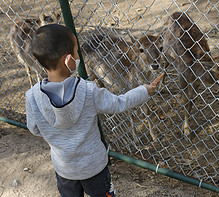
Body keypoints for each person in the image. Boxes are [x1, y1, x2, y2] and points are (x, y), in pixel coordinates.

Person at [25, 24, 157, 197]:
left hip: (64, 170)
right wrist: (143, 91)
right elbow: (119, 103)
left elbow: (34, 128)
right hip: (94, 168)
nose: (79, 56)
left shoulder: (32, 96)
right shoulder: (88, 91)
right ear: (68, 60)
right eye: (77, 52)